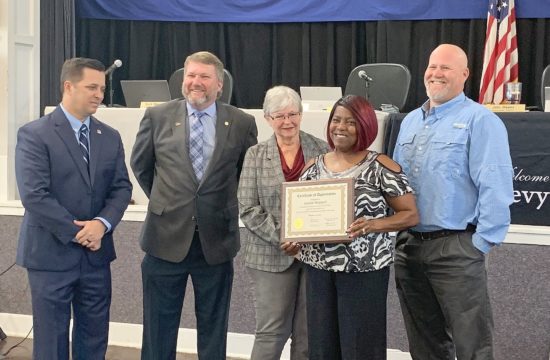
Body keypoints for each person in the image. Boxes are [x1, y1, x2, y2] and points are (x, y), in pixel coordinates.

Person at [130, 51, 258, 359]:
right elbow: (142, 166)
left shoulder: (241, 122)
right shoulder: (157, 116)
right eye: (191, 75)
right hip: (164, 239)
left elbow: (247, 174)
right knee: (158, 329)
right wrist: (169, 201)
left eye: (204, 76)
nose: (195, 82)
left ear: (219, 84)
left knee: (214, 329)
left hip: (216, 242)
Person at [392, 44, 514, 360]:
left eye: (445, 68)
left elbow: (496, 187)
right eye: (432, 66)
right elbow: (393, 185)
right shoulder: (409, 122)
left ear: (464, 74)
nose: (436, 73)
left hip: (456, 250)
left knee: (472, 346)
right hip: (409, 249)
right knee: (425, 346)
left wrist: (480, 244)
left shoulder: (480, 120)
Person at [15, 57, 133, 359]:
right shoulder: (34, 134)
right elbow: (35, 196)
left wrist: (101, 225)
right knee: (51, 341)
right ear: (68, 86)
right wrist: (79, 232)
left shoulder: (109, 136)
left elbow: (122, 189)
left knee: (94, 337)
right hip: (50, 255)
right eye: (91, 87)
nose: (99, 95)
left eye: (102, 89)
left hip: (96, 258)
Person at [297, 95, 418, 360]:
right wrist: (294, 240)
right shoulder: (312, 167)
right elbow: (301, 218)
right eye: (336, 120)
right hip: (318, 270)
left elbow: (410, 215)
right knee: (321, 346)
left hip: (363, 270)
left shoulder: (382, 166)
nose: (340, 127)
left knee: (360, 347)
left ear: (365, 126)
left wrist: (374, 225)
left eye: (351, 122)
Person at [237, 86, 329, 360]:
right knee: (271, 333)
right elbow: (247, 207)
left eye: (293, 114)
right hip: (269, 256)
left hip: (314, 255)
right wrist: (283, 237)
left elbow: (328, 202)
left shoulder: (321, 149)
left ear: (301, 115)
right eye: (279, 116)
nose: (287, 121)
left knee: (309, 334)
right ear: (267, 119)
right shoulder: (255, 154)